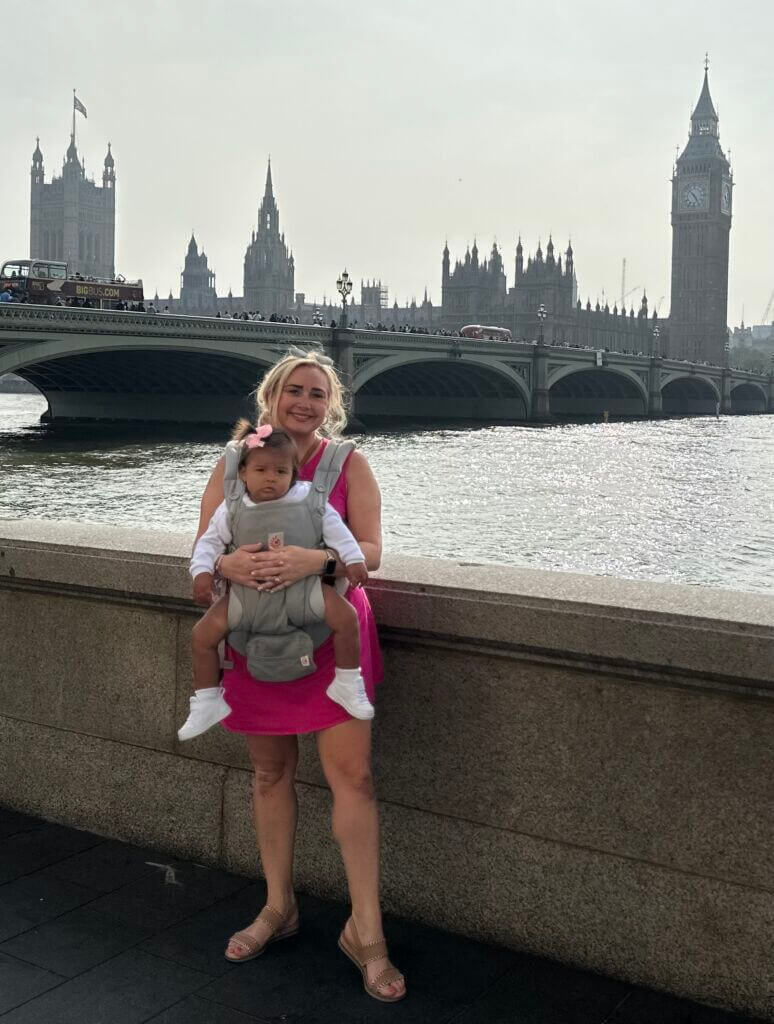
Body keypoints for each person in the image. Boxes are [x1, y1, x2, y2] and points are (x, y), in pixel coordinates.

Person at [195, 349, 405, 1002]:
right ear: (272, 397)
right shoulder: (234, 463)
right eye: (294, 390)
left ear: (331, 405)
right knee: (268, 773)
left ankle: (366, 932)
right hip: (259, 636)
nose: (305, 402)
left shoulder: (350, 465)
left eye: (318, 393)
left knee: (354, 780)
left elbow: (368, 551)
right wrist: (225, 569)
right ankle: (278, 905)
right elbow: (206, 543)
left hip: (332, 641)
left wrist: (315, 560)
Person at [179, 422, 373, 741]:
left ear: (293, 474)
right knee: (202, 635)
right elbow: (208, 543)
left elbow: (341, 535)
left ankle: (347, 681)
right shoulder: (231, 509)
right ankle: (206, 699)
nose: (271, 477)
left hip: (304, 591)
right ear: (242, 473)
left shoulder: (311, 501)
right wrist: (203, 573)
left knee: (346, 617)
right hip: (247, 598)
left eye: (281, 472)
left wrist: (353, 560)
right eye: (261, 470)